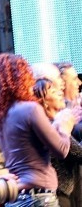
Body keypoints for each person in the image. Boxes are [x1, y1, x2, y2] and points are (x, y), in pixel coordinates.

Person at [0, 53, 80, 207]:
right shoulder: (30, 109)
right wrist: (64, 125)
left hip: (15, 197)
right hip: (39, 197)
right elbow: (62, 150)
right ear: (22, 76)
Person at [33, 78, 82, 207]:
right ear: (44, 102)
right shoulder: (51, 126)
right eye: (54, 92)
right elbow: (80, 154)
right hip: (55, 196)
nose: (61, 93)